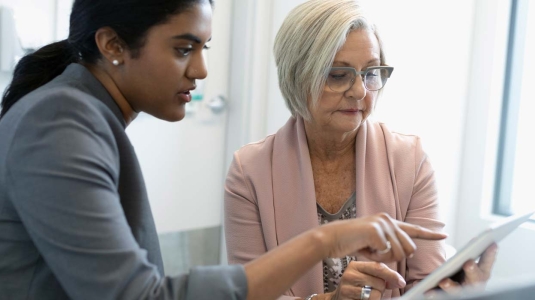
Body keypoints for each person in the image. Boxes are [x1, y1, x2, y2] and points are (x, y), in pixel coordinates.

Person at [0, 0, 448, 299]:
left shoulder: (80, 117)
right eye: (183, 49)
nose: (201, 69)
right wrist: (325, 241)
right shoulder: (59, 121)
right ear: (112, 45)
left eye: (203, 47)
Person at [223, 0, 497, 299]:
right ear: (297, 77)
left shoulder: (410, 160)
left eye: (370, 73)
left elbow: (426, 283)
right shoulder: (250, 171)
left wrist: (457, 293)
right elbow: (246, 294)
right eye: (338, 75)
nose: (359, 91)